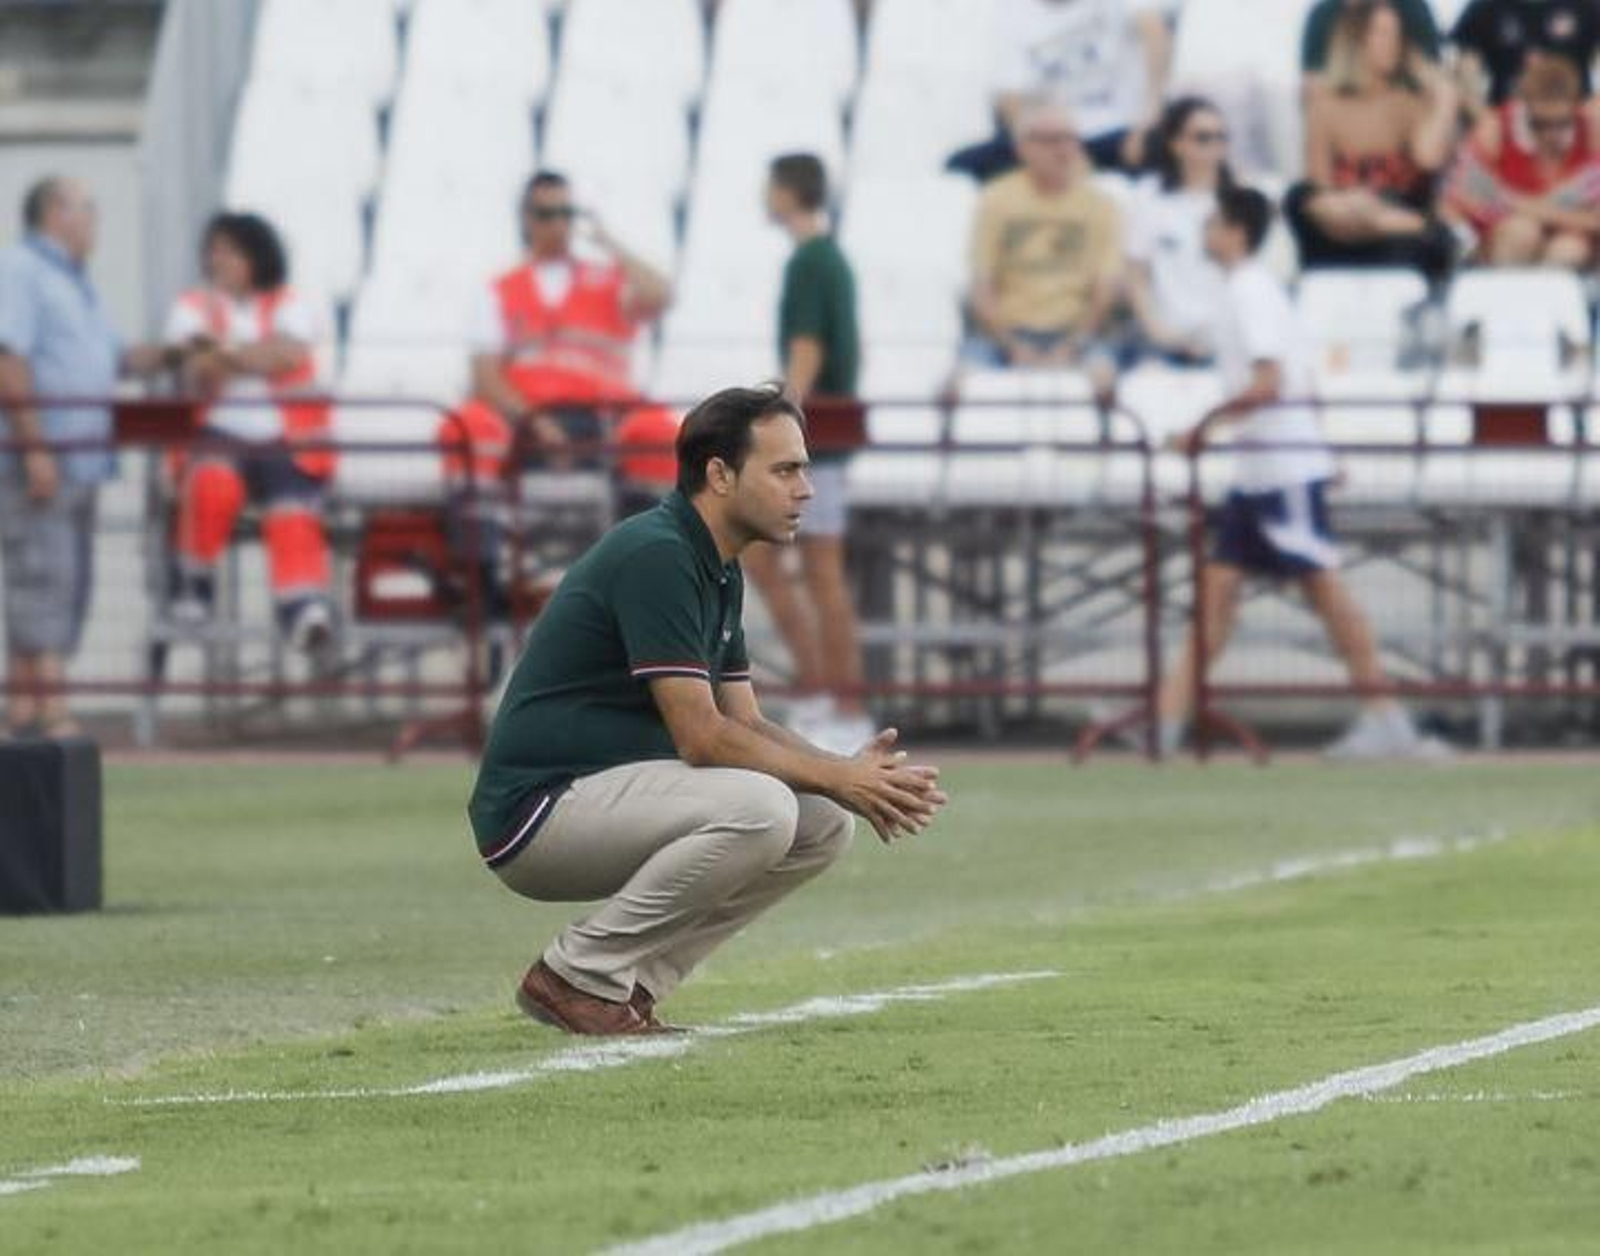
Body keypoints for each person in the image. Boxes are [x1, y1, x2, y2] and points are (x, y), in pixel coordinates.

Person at [467, 384, 946, 1036]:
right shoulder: (659, 554)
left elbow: (744, 722)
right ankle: (578, 972)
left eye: (804, 470)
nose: (805, 489)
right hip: (538, 812)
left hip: (599, 796)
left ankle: (627, 986)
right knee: (763, 808)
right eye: (785, 470)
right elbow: (702, 737)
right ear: (719, 475)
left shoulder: (715, 564)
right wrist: (839, 774)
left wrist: (846, 776)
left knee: (823, 822)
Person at [1157, 186, 1446, 760]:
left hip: (1280, 470)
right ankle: (1164, 722)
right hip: (1260, 471)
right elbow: (1300, 377)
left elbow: (1270, 382)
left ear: (1236, 232)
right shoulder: (1252, 291)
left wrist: (1203, 430)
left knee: (1326, 593)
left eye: (1213, 223)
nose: (1205, 234)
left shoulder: (1250, 291)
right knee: (1217, 596)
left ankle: (1388, 720)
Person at [437, 171, 675, 603]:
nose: (559, 223)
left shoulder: (609, 280)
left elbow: (660, 294)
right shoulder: (499, 290)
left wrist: (610, 244)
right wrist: (535, 423)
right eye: (548, 214)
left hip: (606, 417)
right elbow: (486, 375)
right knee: (468, 426)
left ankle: (655, 570)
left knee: (660, 431)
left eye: (567, 213)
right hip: (526, 420)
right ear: (527, 219)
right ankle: (479, 578)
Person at [0, 177, 170, 737]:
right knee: (42, 573)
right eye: (88, 208)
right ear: (56, 213)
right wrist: (35, 446)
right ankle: (52, 705)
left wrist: (176, 352)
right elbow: (7, 358)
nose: (96, 221)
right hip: (41, 457)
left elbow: (113, 358)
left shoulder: (77, 283)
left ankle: (22, 708)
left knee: (63, 576)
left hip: (82, 461)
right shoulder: (21, 270)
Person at [740, 154, 872, 753]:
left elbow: (807, 347)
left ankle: (839, 698)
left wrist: (783, 414)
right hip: (827, 432)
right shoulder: (828, 257)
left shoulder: (811, 261)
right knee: (796, 564)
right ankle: (827, 690)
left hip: (819, 435)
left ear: (789, 192)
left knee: (817, 568)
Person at [164, 212, 335, 651]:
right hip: (217, 431)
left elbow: (286, 356)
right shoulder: (192, 305)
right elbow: (197, 367)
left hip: (289, 438)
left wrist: (222, 349)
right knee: (211, 484)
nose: (216, 260)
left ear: (256, 255)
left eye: (228, 251)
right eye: (212, 250)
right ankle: (192, 591)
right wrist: (252, 353)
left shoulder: (291, 302)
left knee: (292, 510)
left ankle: (302, 610)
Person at [1286, 0, 1460, 282]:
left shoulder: (1409, 104)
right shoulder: (1325, 107)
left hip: (1401, 224)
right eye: (1381, 33)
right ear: (1354, 39)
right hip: (1347, 225)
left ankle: (1391, 222)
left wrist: (1445, 97)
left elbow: (1428, 158)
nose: (1392, 43)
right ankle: (1390, 222)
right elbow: (1320, 192)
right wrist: (1359, 209)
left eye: (1396, 34)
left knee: (1416, 234)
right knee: (1302, 199)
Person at [963, 99, 1123, 394]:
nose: (1062, 149)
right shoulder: (996, 199)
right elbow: (982, 285)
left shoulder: (1101, 205)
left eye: (1069, 139)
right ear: (1023, 147)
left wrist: (1073, 345)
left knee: (1107, 384)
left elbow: (1105, 291)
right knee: (956, 386)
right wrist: (1011, 345)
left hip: (1075, 332)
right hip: (1006, 331)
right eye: (1050, 140)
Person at [948, 0, 1175, 181]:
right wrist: (1043, 149)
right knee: (960, 164)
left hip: (1121, 135)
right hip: (1051, 138)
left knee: (1165, 154)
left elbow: (1154, 32)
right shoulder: (1011, 10)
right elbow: (1009, 98)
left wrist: (1149, 121)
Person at [1442, 51, 1600, 266]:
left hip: (1565, 239)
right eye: (1540, 124)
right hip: (1506, 236)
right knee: (1522, 232)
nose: (1552, 134)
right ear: (1525, 110)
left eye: (1562, 123)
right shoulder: (1496, 129)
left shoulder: (1592, 131)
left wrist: (1520, 204)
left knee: (1569, 248)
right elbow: (1458, 199)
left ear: (1575, 109)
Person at [1124, 96, 1233, 366]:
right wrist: (1160, 333)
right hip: (1165, 341)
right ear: (1176, 143)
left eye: (1221, 137)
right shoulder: (1148, 195)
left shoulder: (1240, 200)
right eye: (1203, 138)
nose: (1214, 146)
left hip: (1227, 342)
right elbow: (1136, 276)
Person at [1451, 0, 1600, 113]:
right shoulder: (1484, 7)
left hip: (1576, 116)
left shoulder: (1586, 5)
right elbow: (1465, 73)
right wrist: (1484, 118)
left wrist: (1593, 111)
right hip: (1506, 117)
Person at [1302, 0, 1441, 85]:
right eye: (1380, 33)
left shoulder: (1414, 9)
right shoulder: (1323, 15)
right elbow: (1311, 80)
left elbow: (1433, 72)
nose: (1391, 44)